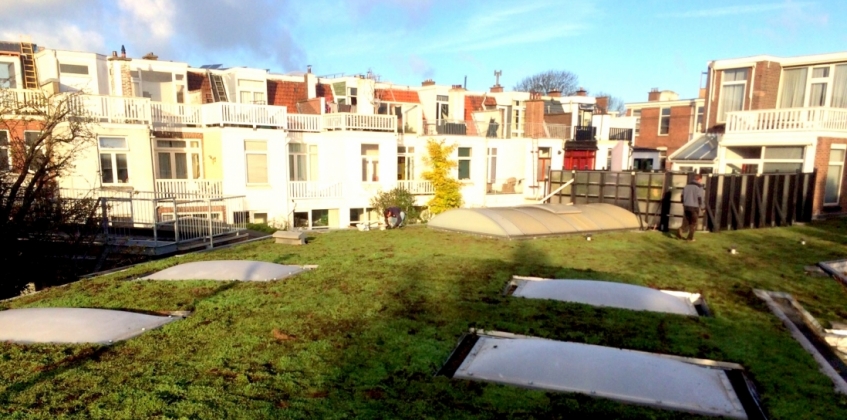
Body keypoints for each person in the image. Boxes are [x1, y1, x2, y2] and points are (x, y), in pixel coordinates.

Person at [678, 174, 705, 241]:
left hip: (686, 206)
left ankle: (681, 229)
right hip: (694, 207)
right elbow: (700, 198)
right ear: (700, 179)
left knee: (687, 221)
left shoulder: (687, 186)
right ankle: (690, 238)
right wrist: (703, 208)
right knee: (693, 223)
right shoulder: (699, 187)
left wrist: (683, 203)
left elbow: (682, 196)